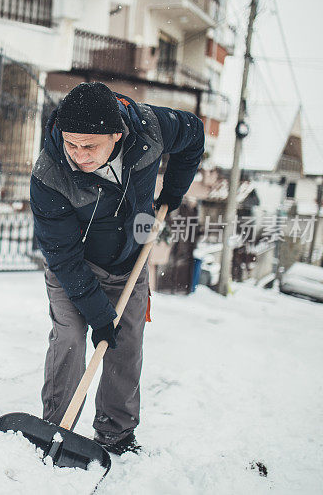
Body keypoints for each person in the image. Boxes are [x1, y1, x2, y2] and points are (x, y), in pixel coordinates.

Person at [30, 81, 204, 455]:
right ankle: (56, 430)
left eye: (89, 146)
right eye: (71, 143)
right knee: (72, 338)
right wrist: (98, 314)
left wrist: (174, 190)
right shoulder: (50, 173)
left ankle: (117, 434)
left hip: (130, 259)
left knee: (125, 346)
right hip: (74, 267)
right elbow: (61, 255)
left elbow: (194, 134)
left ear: (117, 133)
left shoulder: (150, 128)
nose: (78, 155)